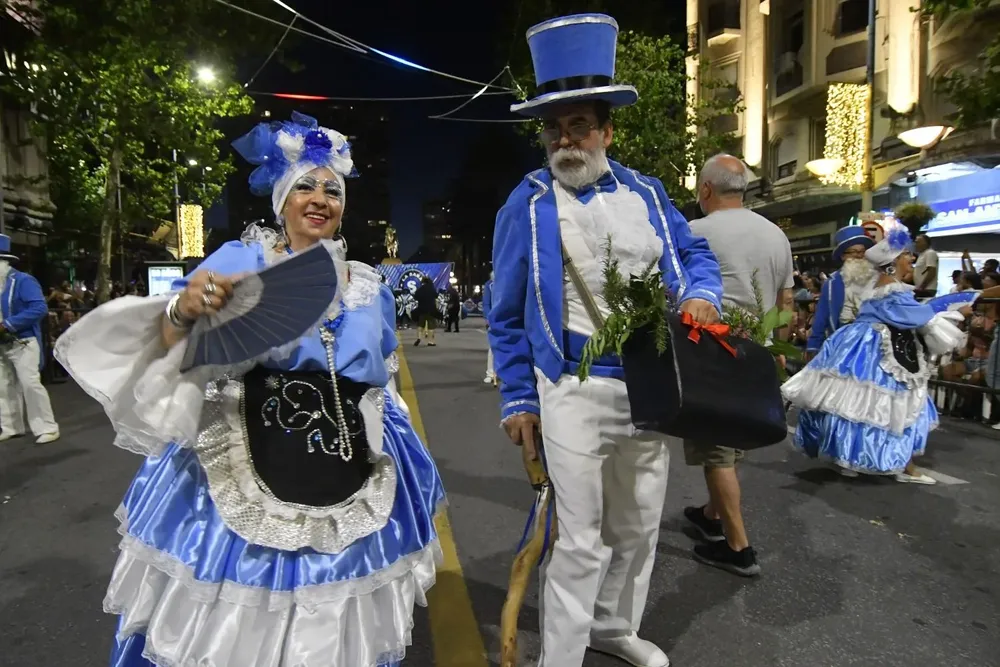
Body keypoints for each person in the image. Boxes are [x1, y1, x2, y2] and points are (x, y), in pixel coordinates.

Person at [53, 112, 445, 667]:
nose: (319, 198)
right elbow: (173, 335)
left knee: (333, 609)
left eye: (332, 190)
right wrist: (182, 307)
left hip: (349, 460)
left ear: (343, 207)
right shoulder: (242, 261)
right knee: (237, 618)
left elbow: (379, 371)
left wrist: (395, 441)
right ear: (281, 201)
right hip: (246, 448)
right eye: (304, 186)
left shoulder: (369, 285)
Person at [490, 14, 723, 667]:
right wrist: (518, 397)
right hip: (568, 384)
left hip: (651, 383)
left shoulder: (648, 193)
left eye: (579, 125)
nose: (566, 139)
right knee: (581, 535)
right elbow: (504, 310)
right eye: (554, 127)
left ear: (606, 131)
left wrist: (701, 296)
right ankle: (560, 654)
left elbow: (693, 255)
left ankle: (614, 626)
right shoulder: (527, 203)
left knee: (639, 521)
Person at [782, 218, 966, 484]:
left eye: (860, 251)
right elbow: (912, 314)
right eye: (906, 256)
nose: (910, 259)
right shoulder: (866, 285)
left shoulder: (879, 284)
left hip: (865, 345)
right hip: (869, 346)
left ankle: (872, 459)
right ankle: (892, 462)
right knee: (876, 404)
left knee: (863, 404)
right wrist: (952, 307)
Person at [683, 154, 793, 577]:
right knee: (735, 442)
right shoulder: (775, 235)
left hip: (715, 351)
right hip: (760, 352)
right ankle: (711, 514)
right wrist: (779, 349)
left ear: (706, 189)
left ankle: (738, 547)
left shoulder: (695, 231)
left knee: (717, 452)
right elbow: (785, 303)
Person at [0, 234, 60, 444]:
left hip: (23, 342)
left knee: (30, 383)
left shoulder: (24, 281)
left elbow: (39, 308)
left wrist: (7, 324)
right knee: (3, 385)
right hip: (2, 344)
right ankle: (11, 426)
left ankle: (47, 427)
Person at [806, 226, 877, 357]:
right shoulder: (832, 283)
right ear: (843, 256)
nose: (860, 256)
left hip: (873, 345)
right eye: (854, 252)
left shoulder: (878, 279)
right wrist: (813, 346)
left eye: (863, 251)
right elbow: (822, 318)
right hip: (841, 346)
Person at [413, 276, 439, 346]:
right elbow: (436, 295)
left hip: (421, 309)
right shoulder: (432, 288)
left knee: (420, 324)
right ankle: (430, 341)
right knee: (431, 326)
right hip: (431, 310)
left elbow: (415, 297)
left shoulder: (420, 289)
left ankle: (419, 338)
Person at [912, 233, 939, 298]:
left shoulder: (930, 253)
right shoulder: (922, 254)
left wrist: (922, 287)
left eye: (917, 242)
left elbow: (932, 271)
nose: (915, 244)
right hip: (922, 289)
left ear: (925, 243)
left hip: (926, 289)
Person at [483, 272, 496, 384]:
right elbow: (486, 303)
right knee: (493, 347)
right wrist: (488, 317)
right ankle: (490, 373)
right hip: (495, 318)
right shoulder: (489, 285)